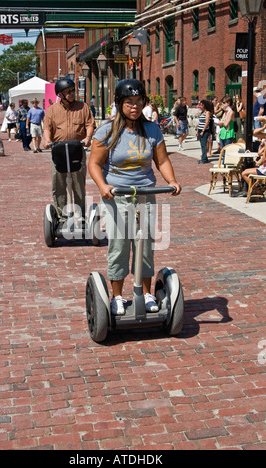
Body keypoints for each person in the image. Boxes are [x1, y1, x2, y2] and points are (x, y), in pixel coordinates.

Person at [88, 79, 181, 315]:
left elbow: (161, 161)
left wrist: (171, 181)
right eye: (129, 101)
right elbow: (95, 164)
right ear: (120, 103)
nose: (135, 106)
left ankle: (146, 292)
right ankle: (117, 296)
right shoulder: (106, 130)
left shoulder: (152, 129)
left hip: (146, 194)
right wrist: (102, 185)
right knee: (119, 246)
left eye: (139, 101)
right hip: (117, 195)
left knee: (146, 245)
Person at [43, 78, 95, 225]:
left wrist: (88, 137)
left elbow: (90, 124)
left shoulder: (83, 107)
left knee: (78, 184)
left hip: (77, 150)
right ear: (60, 94)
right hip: (58, 151)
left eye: (73, 90)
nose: (73, 93)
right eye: (69, 92)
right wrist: (47, 140)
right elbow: (47, 128)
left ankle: (81, 216)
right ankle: (62, 216)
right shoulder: (52, 110)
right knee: (58, 184)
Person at [196, 100, 211, 164]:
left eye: (201, 105)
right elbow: (200, 122)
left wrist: (203, 131)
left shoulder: (207, 112)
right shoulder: (202, 112)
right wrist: (197, 131)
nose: (200, 106)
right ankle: (204, 158)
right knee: (202, 144)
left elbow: (207, 122)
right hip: (200, 129)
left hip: (204, 130)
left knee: (204, 144)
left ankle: (204, 158)